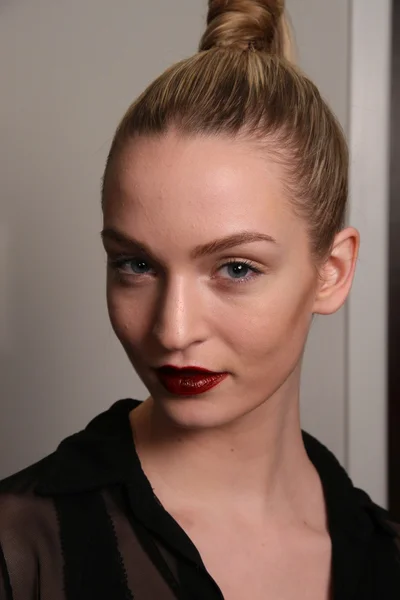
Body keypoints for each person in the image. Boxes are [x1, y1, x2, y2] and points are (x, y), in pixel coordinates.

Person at [1, 1, 399, 598]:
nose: (172, 330)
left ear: (332, 273)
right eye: (136, 264)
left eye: (235, 268)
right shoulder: (19, 551)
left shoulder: (385, 557)